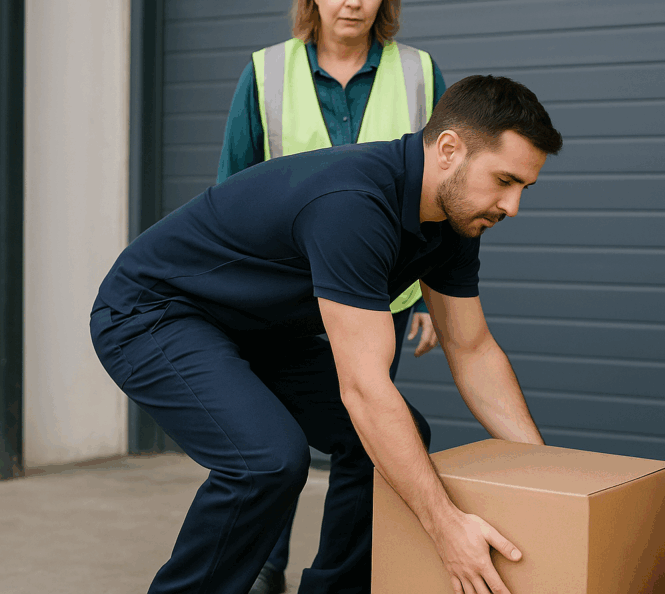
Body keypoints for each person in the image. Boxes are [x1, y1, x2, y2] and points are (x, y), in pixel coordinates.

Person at [89, 74, 562, 594]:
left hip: (256, 329)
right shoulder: (354, 202)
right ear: (449, 149)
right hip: (153, 313)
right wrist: (446, 527)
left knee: (397, 440)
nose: (512, 207)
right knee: (266, 463)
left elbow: (471, 350)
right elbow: (363, 386)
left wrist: (547, 482)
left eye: (523, 187)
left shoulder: (456, 220)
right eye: (504, 181)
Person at [216, 0, 446, 592]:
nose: (353, 2)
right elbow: (231, 191)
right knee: (273, 435)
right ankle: (264, 564)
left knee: (368, 433)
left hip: (381, 294)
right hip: (280, 297)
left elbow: (443, 193)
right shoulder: (264, 71)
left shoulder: (419, 72)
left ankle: (338, 577)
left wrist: (430, 294)